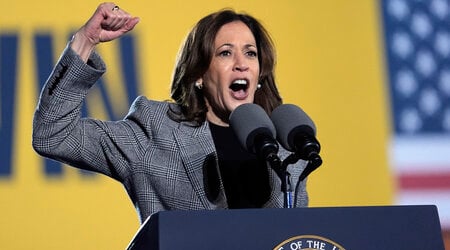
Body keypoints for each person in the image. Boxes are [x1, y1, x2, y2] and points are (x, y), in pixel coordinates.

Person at [32, 2, 308, 223]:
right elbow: (54, 136)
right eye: (225, 53)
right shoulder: (154, 131)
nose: (241, 65)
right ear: (199, 73)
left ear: (260, 73)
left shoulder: (282, 149)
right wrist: (84, 41)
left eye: (250, 54)